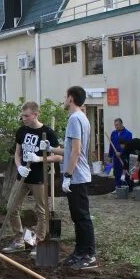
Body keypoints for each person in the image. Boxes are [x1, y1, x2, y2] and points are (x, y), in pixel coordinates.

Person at [46, 86, 96, 269]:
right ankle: (80, 251)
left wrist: (67, 175)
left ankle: (88, 254)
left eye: (65, 96)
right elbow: (69, 150)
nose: (64, 99)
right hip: (77, 175)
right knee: (78, 217)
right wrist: (51, 149)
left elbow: (75, 151)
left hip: (77, 176)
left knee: (82, 217)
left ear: (71, 99)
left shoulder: (75, 119)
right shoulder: (81, 117)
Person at [2, 101, 61, 254]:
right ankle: (19, 239)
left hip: (39, 178)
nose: (24, 119)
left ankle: (38, 243)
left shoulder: (47, 133)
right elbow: (17, 154)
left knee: (41, 211)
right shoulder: (21, 131)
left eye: (26, 116)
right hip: (22, 177)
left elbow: (58, 157)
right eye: (22, 116)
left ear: (36, 114)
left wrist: (39, 159)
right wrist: (19, 166)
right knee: (11, 208)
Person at [108, 118, 133, 190]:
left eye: (117, 125)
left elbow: (129, 148)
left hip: (124, 157)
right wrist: (110, 155)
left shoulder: (128, 134)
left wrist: (121, 153)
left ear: (121, 124)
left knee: (124, 171)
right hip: (115, 156)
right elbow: (111, 145)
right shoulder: (113, 133)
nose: (116, 127)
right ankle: (117, 188)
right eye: (115, 125)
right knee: (116, 172)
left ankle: (125, 188)